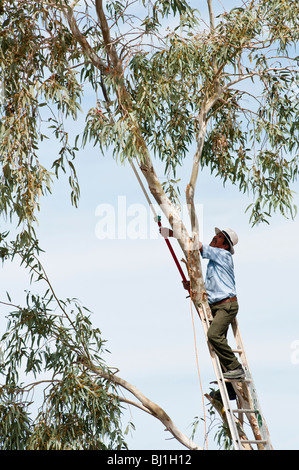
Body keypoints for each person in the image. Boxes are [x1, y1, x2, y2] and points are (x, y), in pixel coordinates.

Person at [160, 225, 245, 383]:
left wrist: (172, 233)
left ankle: (236, 368)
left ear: (225, 245)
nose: (214, 237)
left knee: (213, 336)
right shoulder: (214, 263)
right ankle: (230, 390)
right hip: (217, 306)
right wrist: (193, 287)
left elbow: (196, 245)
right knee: (218, 346)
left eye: (219, 237)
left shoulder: (223, 254)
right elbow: (209, 288)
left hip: (226, 306)